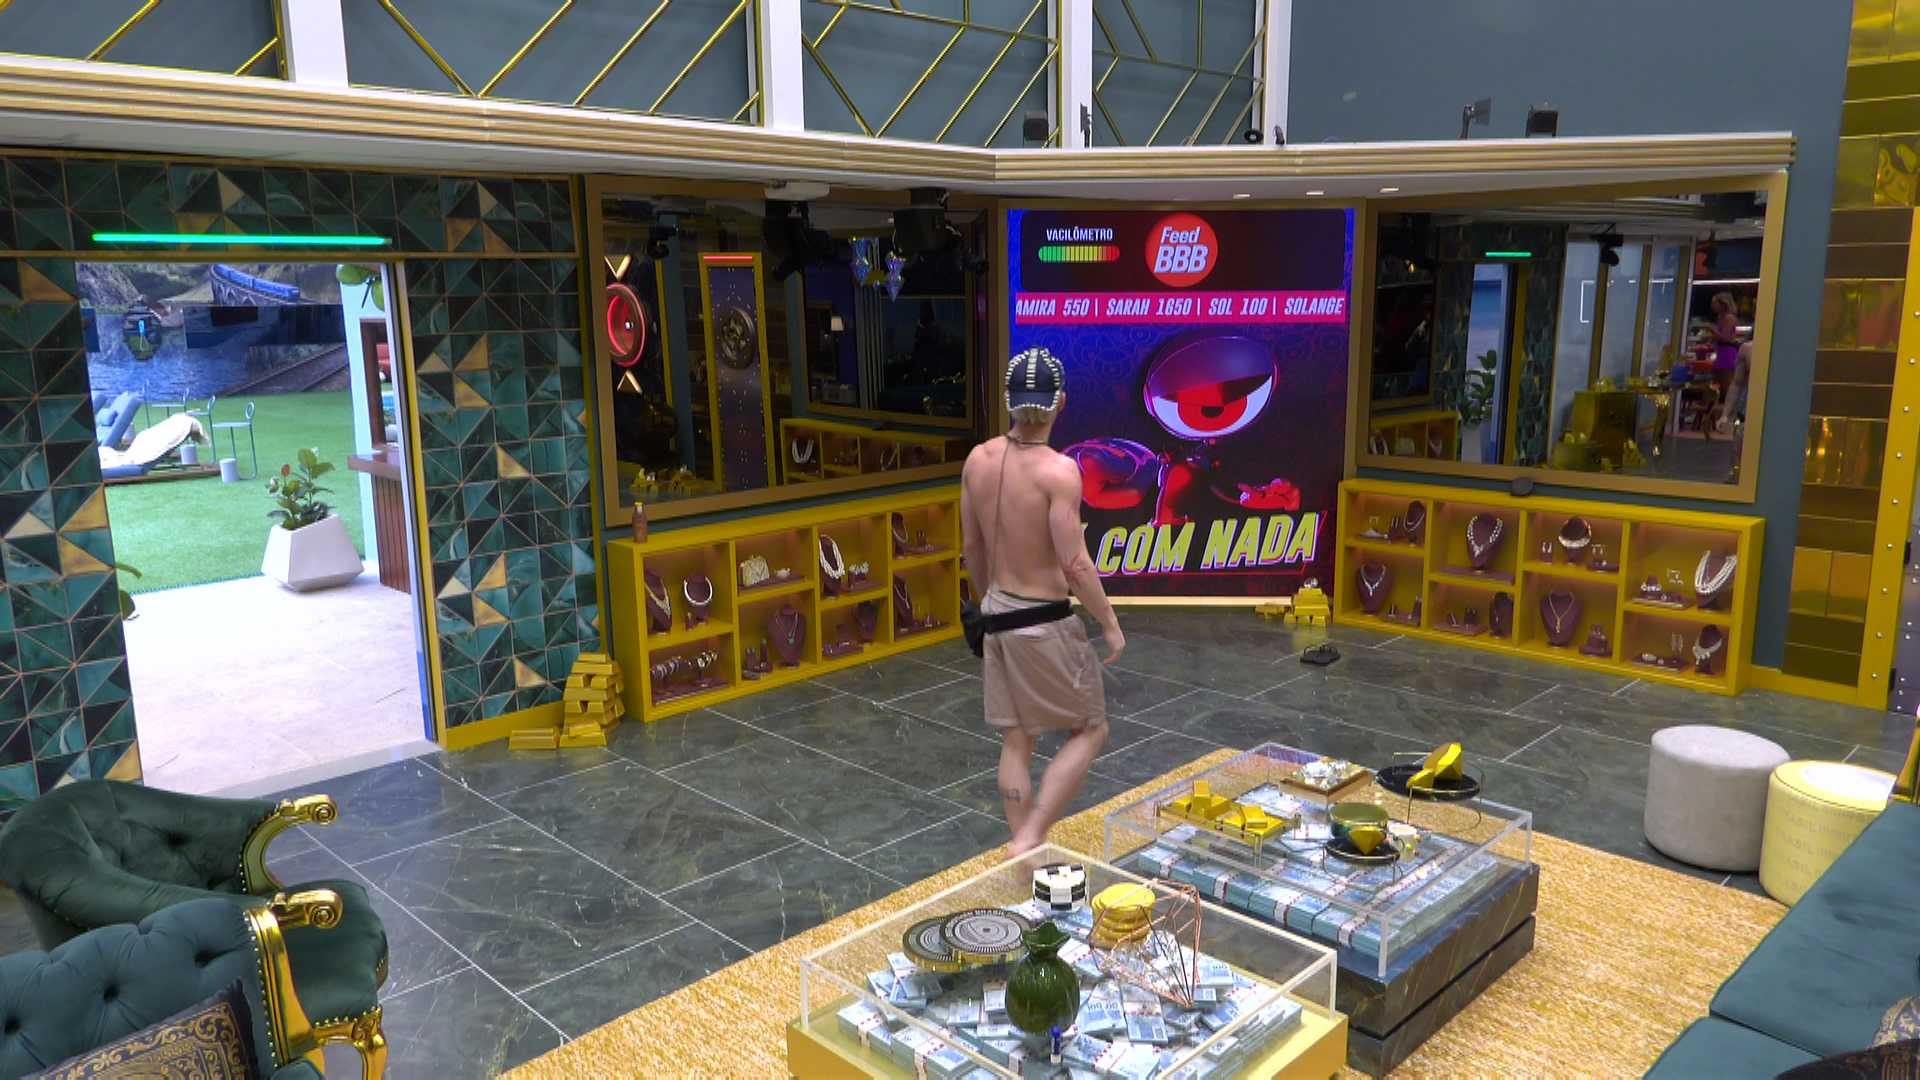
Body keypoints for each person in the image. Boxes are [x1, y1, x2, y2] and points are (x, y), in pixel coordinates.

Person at [961, 347, 1124, 855]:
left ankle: (1023, 852)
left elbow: (972, 548)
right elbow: (1074, 563)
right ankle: (1032, 835)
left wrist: (988, 604)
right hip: (1044, 622)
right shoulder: (1059, 472)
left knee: (1016, 738)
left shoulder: (977, 460)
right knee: (1091, 728)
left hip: (997, 616)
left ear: (1008, 401)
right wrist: (1109, 623)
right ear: (1061, 403)